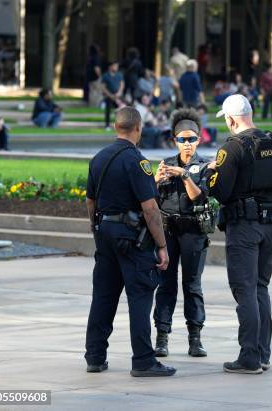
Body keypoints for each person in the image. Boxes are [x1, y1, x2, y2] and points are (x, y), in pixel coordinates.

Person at [205, 94, 272, 374]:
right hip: (271, 224)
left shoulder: (232, 148)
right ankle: (262, 353)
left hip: (244, 227)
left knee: (244, 290)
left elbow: (218, 190)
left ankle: (249, 357)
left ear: (231, 120)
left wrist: (211, 171)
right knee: (260, 287)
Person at [84, 106, 175, 377]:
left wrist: (95, 228)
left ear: (116, 127)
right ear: (138, 128)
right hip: (132, 239)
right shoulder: (138, 161)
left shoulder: (98, 158)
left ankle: (95, 357)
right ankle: (144, 361)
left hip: (105, 234)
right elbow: (150, 208)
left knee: (103, 297)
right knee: (140, 297)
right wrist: (161, 244)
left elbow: (90, 200)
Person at [153, 108, 213, 359]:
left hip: (193, 230)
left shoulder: (206, 166)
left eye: (191, 139)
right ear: (174, 141)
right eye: (182, 139)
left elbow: (199, 197)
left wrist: (185, 174)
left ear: (199, 140)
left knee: (192, 284)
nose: (187, 144)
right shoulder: (165, 165)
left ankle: (195, 338)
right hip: (168, 230)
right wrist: (155, 180)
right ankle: (162, 337)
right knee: (166, 284)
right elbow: (151, 199)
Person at [101, 62, 125, 130]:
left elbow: (122, 84)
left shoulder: (119, 75)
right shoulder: (105, 75)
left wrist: (119, 92)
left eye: (117, 66)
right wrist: (110, 95)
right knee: (108, 111)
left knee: (120, 111)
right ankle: (107, 125)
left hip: (118, 96)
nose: (116, 67)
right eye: (114, 66)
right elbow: (103, 87)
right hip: (109, 96)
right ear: (110, 67)